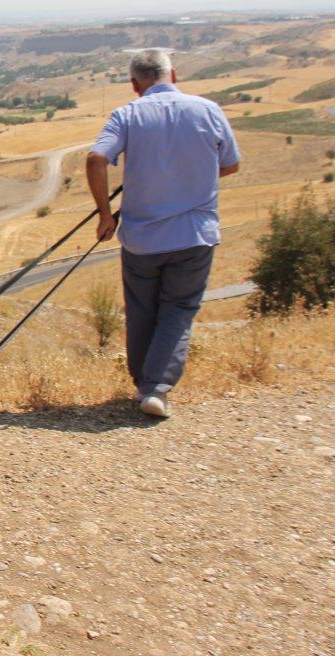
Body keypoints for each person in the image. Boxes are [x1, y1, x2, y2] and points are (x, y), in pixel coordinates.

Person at [85, 49, 241, 418]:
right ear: (175, 75)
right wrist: (192, 178)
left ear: (135, 84)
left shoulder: (127, 114)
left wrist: (106, 215)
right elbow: (231, 165)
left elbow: (95, 159)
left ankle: (145, 384)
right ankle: (155, 388)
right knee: (178, 309)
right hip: (194, 235)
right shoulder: (208, 110)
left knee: (141, 311)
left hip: (142, 239)